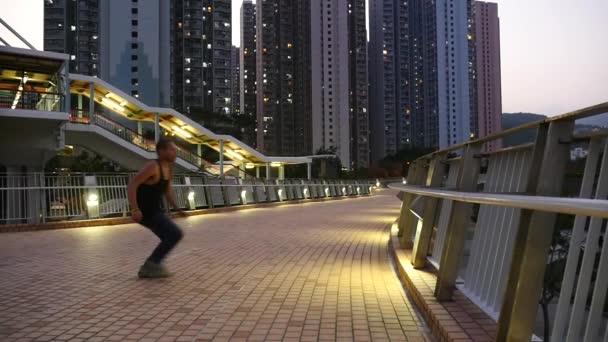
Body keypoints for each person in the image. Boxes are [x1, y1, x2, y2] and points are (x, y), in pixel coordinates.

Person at [127, 137, 185, 278]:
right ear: (162, 151)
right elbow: (132, 185)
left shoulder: (168, 168)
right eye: (172, 150)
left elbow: (167, 190)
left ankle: (153, 264)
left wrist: (177, 208)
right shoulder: (153, 166)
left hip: (155, 210)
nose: (175, 153)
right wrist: (135, 209)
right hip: (145, 212)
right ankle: (151, 265)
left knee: (169, 236)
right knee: (175, 234)